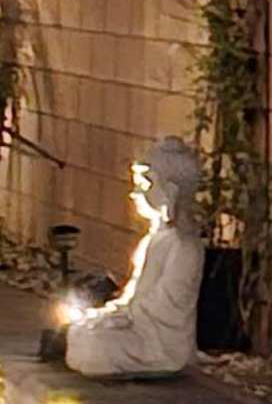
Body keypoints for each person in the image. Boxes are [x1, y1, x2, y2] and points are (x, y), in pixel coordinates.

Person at [61, 134, 207, 380]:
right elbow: (133, 294)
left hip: (159, 341)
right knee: (80, 333)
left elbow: (167, 306)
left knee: (95, 345)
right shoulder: (154, 239)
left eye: (144, 186)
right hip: (135, 325)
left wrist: (123, 317)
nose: (135, 194)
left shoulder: (184, 246)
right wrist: (110, 313)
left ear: (169, 191)